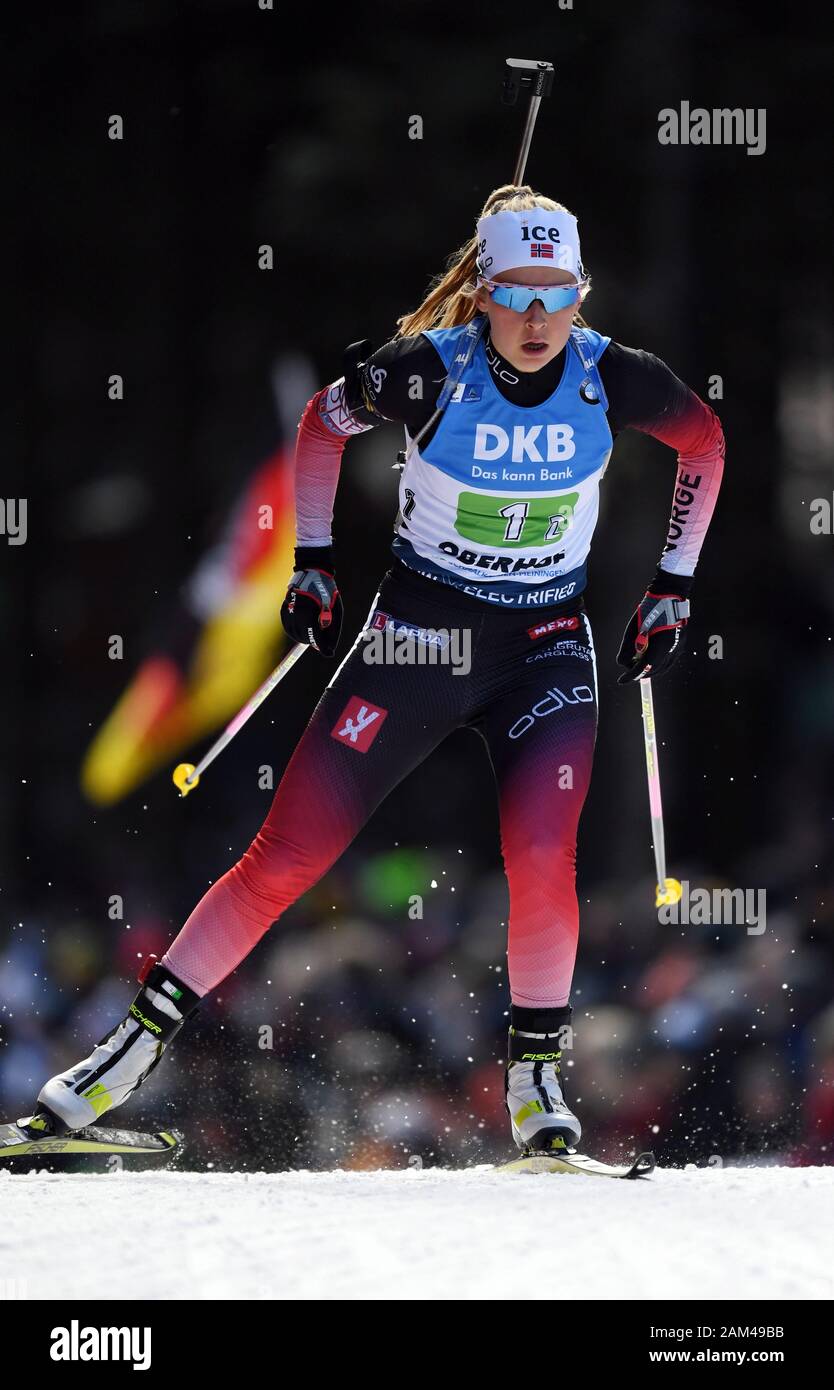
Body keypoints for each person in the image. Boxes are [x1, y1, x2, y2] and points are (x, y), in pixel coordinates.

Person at [27, 185, 724, 1157]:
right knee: (285, 860)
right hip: (419, 639)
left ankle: (536, 1086)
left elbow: (705, 440)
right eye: (515, 292)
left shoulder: (618, 377)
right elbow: (321, 425)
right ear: (481, 292)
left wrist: (672, 587)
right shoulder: (427, 372)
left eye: (555, 293)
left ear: (581, 294)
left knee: (540, 862)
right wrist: (312, 560)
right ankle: (122, 1058)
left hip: (543, 648)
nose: (535, 318)